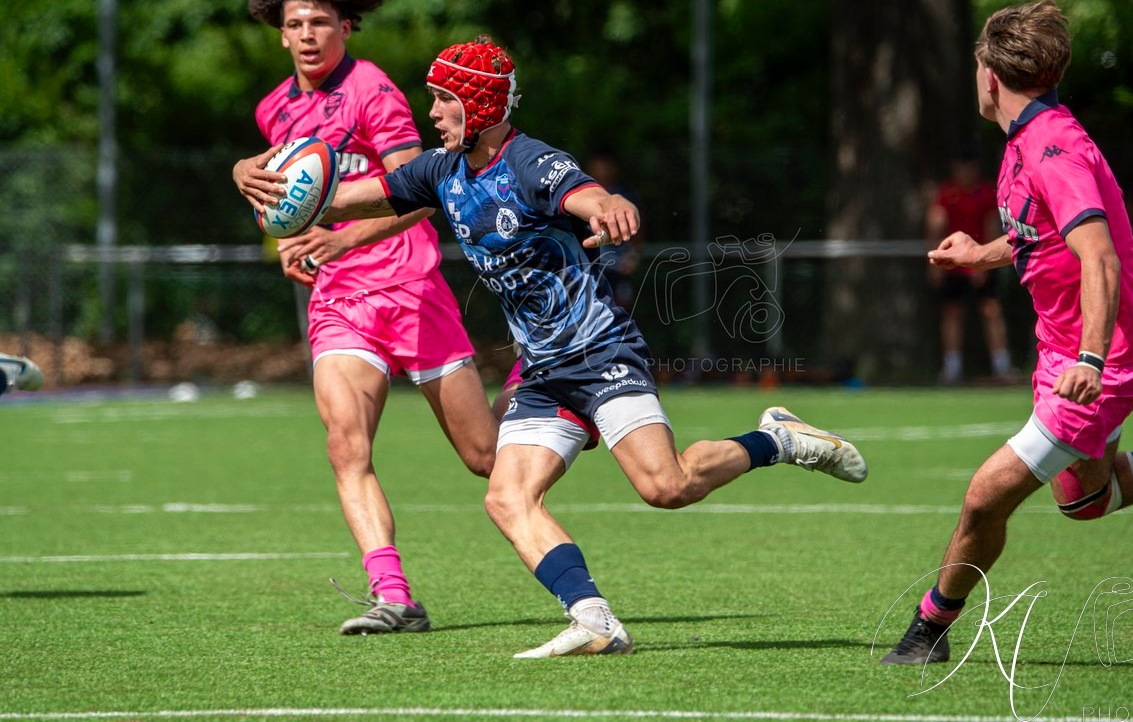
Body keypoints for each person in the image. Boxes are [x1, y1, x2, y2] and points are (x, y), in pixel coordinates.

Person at [308, 35, 869, 658]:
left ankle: (778, 439)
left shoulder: (529, 162)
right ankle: (595, 620)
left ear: (477, 103)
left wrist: (612, 205)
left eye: (442, 99)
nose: (432, 112)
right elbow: (341, 197)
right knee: (505, 494)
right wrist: (270, 185)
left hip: (603, 354)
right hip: (544, 371)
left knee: (666, 486)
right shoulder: (441, 170)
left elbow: (587, 195)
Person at [880, 0, 1133, 667]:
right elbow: (1045, 234)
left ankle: (928, 630)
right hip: (1071, 346)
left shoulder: (1053, 147)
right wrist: (982, 253)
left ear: (991, 77)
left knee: (983, 496)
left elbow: (1100, 257)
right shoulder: (1029, 138)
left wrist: (1091, 357)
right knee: (1090, 498)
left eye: (976, 65)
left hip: (1102, 358)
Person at [230, 0, 502, 635]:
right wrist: (272, 214)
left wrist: (337, 234)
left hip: (410, 287)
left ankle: (564, 404)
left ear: (346, 25)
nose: (308, 34)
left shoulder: (372, 90)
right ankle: (394, 594)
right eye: (296, 24)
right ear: (280, 34)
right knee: (344, 440)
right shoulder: (273, 109)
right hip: (341, 300)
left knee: (485, 458)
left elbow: (419, 191)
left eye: (321, 20)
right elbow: (293, 193)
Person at [925, 156, 1016, 384]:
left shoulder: (984, 193)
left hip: (979, 261)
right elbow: (936, 221)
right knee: (952, 312)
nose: (964, 171)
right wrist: (935, 257)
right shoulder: (947, 193)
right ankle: (952, 368)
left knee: (991, 310)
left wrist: (983, 261)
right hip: (953, 264)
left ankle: (1001, 366)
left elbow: (992, 225)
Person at [584, 149, 642, 311]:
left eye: (606, 165)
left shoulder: (625, 195)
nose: (602, 169)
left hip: (617, 266)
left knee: (620, 311)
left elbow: (638, 229)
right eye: (598, 165)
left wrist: (633, 255)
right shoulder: (582, 194)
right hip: (591, 267)